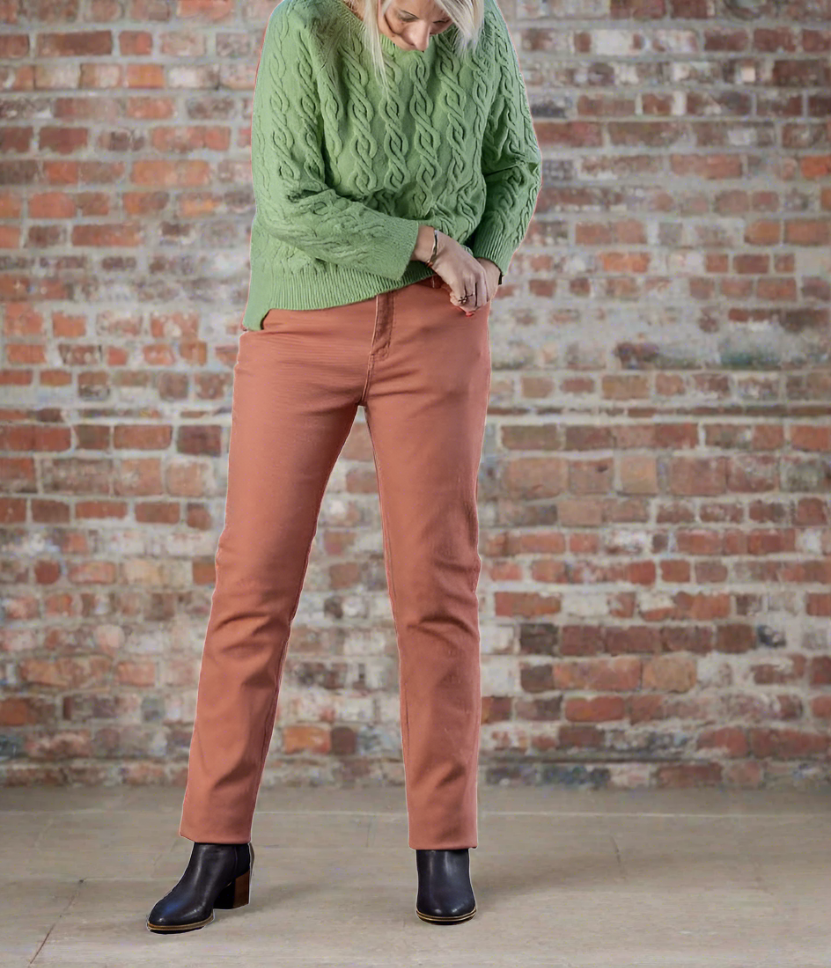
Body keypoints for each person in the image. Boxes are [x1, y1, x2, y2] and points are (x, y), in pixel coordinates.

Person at [146, 0, 541, 934]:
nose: (423, 32)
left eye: (441, 17)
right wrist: (430, 243)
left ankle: (444, 844)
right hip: (301, 326)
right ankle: (216, 845)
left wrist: (488, 258)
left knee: (437, 586)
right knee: (252, 583)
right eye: (406, 14)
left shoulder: (480, 36)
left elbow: (514, 165)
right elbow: (290, 197)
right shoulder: (306, 26)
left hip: (438, 331)